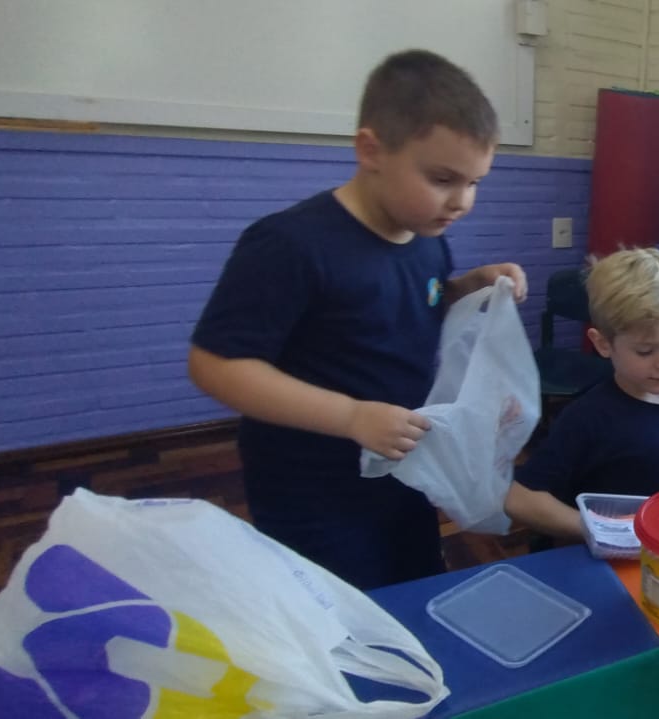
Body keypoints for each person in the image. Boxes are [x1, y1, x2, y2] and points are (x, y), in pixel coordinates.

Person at [188, 49, 527, 590]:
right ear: (371, 150)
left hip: (402, 470)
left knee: (411, 590)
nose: (462, 201)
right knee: (339, 613)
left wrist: (467, 289)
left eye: (474, 182)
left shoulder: (426, 240)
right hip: (312, 490)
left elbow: (404, 311)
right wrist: (350, 417)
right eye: (443, 178)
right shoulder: (289, 244)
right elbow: (215, 365)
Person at [504, 247, 659, 542]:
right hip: (623, 561)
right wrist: (606, 532)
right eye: (645, 350)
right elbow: (519, 498)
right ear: (603, 344)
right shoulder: (587, 418)